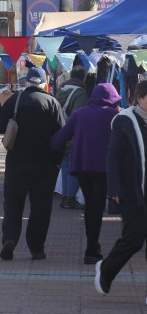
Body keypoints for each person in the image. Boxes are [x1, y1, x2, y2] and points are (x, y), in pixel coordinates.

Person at [0, 66, 65, 261]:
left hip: (17, 163)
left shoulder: (15, 100)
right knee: (41, 208)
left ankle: (10, 239)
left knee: (13, 204)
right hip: (45, 165)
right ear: (44, 83)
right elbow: (61, 137)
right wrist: (56, 162)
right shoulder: (52, 102)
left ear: (27, 82)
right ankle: (37, 248)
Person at [50, 83, 121, 264]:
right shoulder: (114, 115)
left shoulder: (79, 114)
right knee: (95, 208)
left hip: (82, 168)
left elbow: (60, 138)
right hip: (103, 169)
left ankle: (92, 247)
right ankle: (91, 249)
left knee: (91, 205)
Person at [95, 81, 147, 298]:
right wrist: (114, 187)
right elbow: (113, 156)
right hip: (133, 191)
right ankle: (106, 270)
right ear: (140, 98)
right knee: (133, 239)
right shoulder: (125, 120)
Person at [55, 65, 88, 209]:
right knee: (74, 168)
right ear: (83, 78)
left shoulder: (61, 90)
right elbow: (78, 116)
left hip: (60, 133)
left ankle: (65, 196)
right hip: (74, 135)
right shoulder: (80, 93)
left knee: (65, 166)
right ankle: (70, 198)